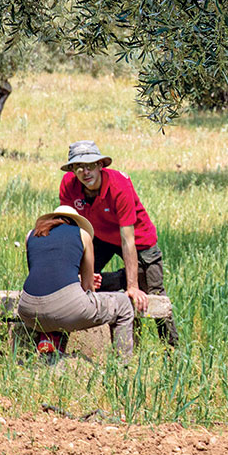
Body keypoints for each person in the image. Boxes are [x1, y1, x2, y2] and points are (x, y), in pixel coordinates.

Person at [58, 140, 179, 345]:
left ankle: (171, 350)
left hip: (138, 238)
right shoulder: (69, 185)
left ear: (100, 165)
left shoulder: (119, 185)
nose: (85, 172)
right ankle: (63, 343)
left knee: (153, 292)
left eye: (89, 165)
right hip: (99, 236)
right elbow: (72, 230)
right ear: (72, 169)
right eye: (78, 167)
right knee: (76, 284)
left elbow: (127, 239)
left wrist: (133, 286)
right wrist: (74, 272)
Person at [18, 204, 136, 359]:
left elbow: (42, 275)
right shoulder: (82, 235)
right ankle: (123, 367)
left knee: (58, 306)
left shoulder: (31, 235)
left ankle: (49, 348)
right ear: (75, 223)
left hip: (27, 310)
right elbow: (88, 287)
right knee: (124, 305)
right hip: (65, 308)